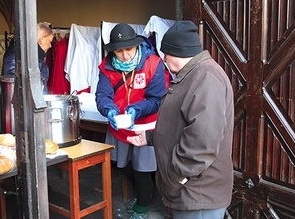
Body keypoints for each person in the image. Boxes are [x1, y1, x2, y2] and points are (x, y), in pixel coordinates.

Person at [127, 20, 234, 219]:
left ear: (178, 52)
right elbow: (183, 124)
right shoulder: (193, 75)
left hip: (198, 194)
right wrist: (151, 137)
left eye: (165, 54)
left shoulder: (206, 78)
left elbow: (201, 144)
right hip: (190, 191)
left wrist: (174, 179)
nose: (164, 59)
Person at [95, 23, 168, 219]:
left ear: (137, 46)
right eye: (119, 51)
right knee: (123, 165)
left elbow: (156, 99)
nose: (125, 55)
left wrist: (137, 109)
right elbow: (103, 95)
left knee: (142, 168)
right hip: (120, 125)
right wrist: (109, 110)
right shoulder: (106, 67)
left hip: (145, 125)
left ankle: (143, 207)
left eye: (129, 49)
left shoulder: (153, 64)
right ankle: (145, 195)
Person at [1, 22, 53, 94]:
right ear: (41, 39)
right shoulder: (17, 53)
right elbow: (12, 81)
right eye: (49, 41)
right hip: (22, 103)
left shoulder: (37, 56)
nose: (50, 46)